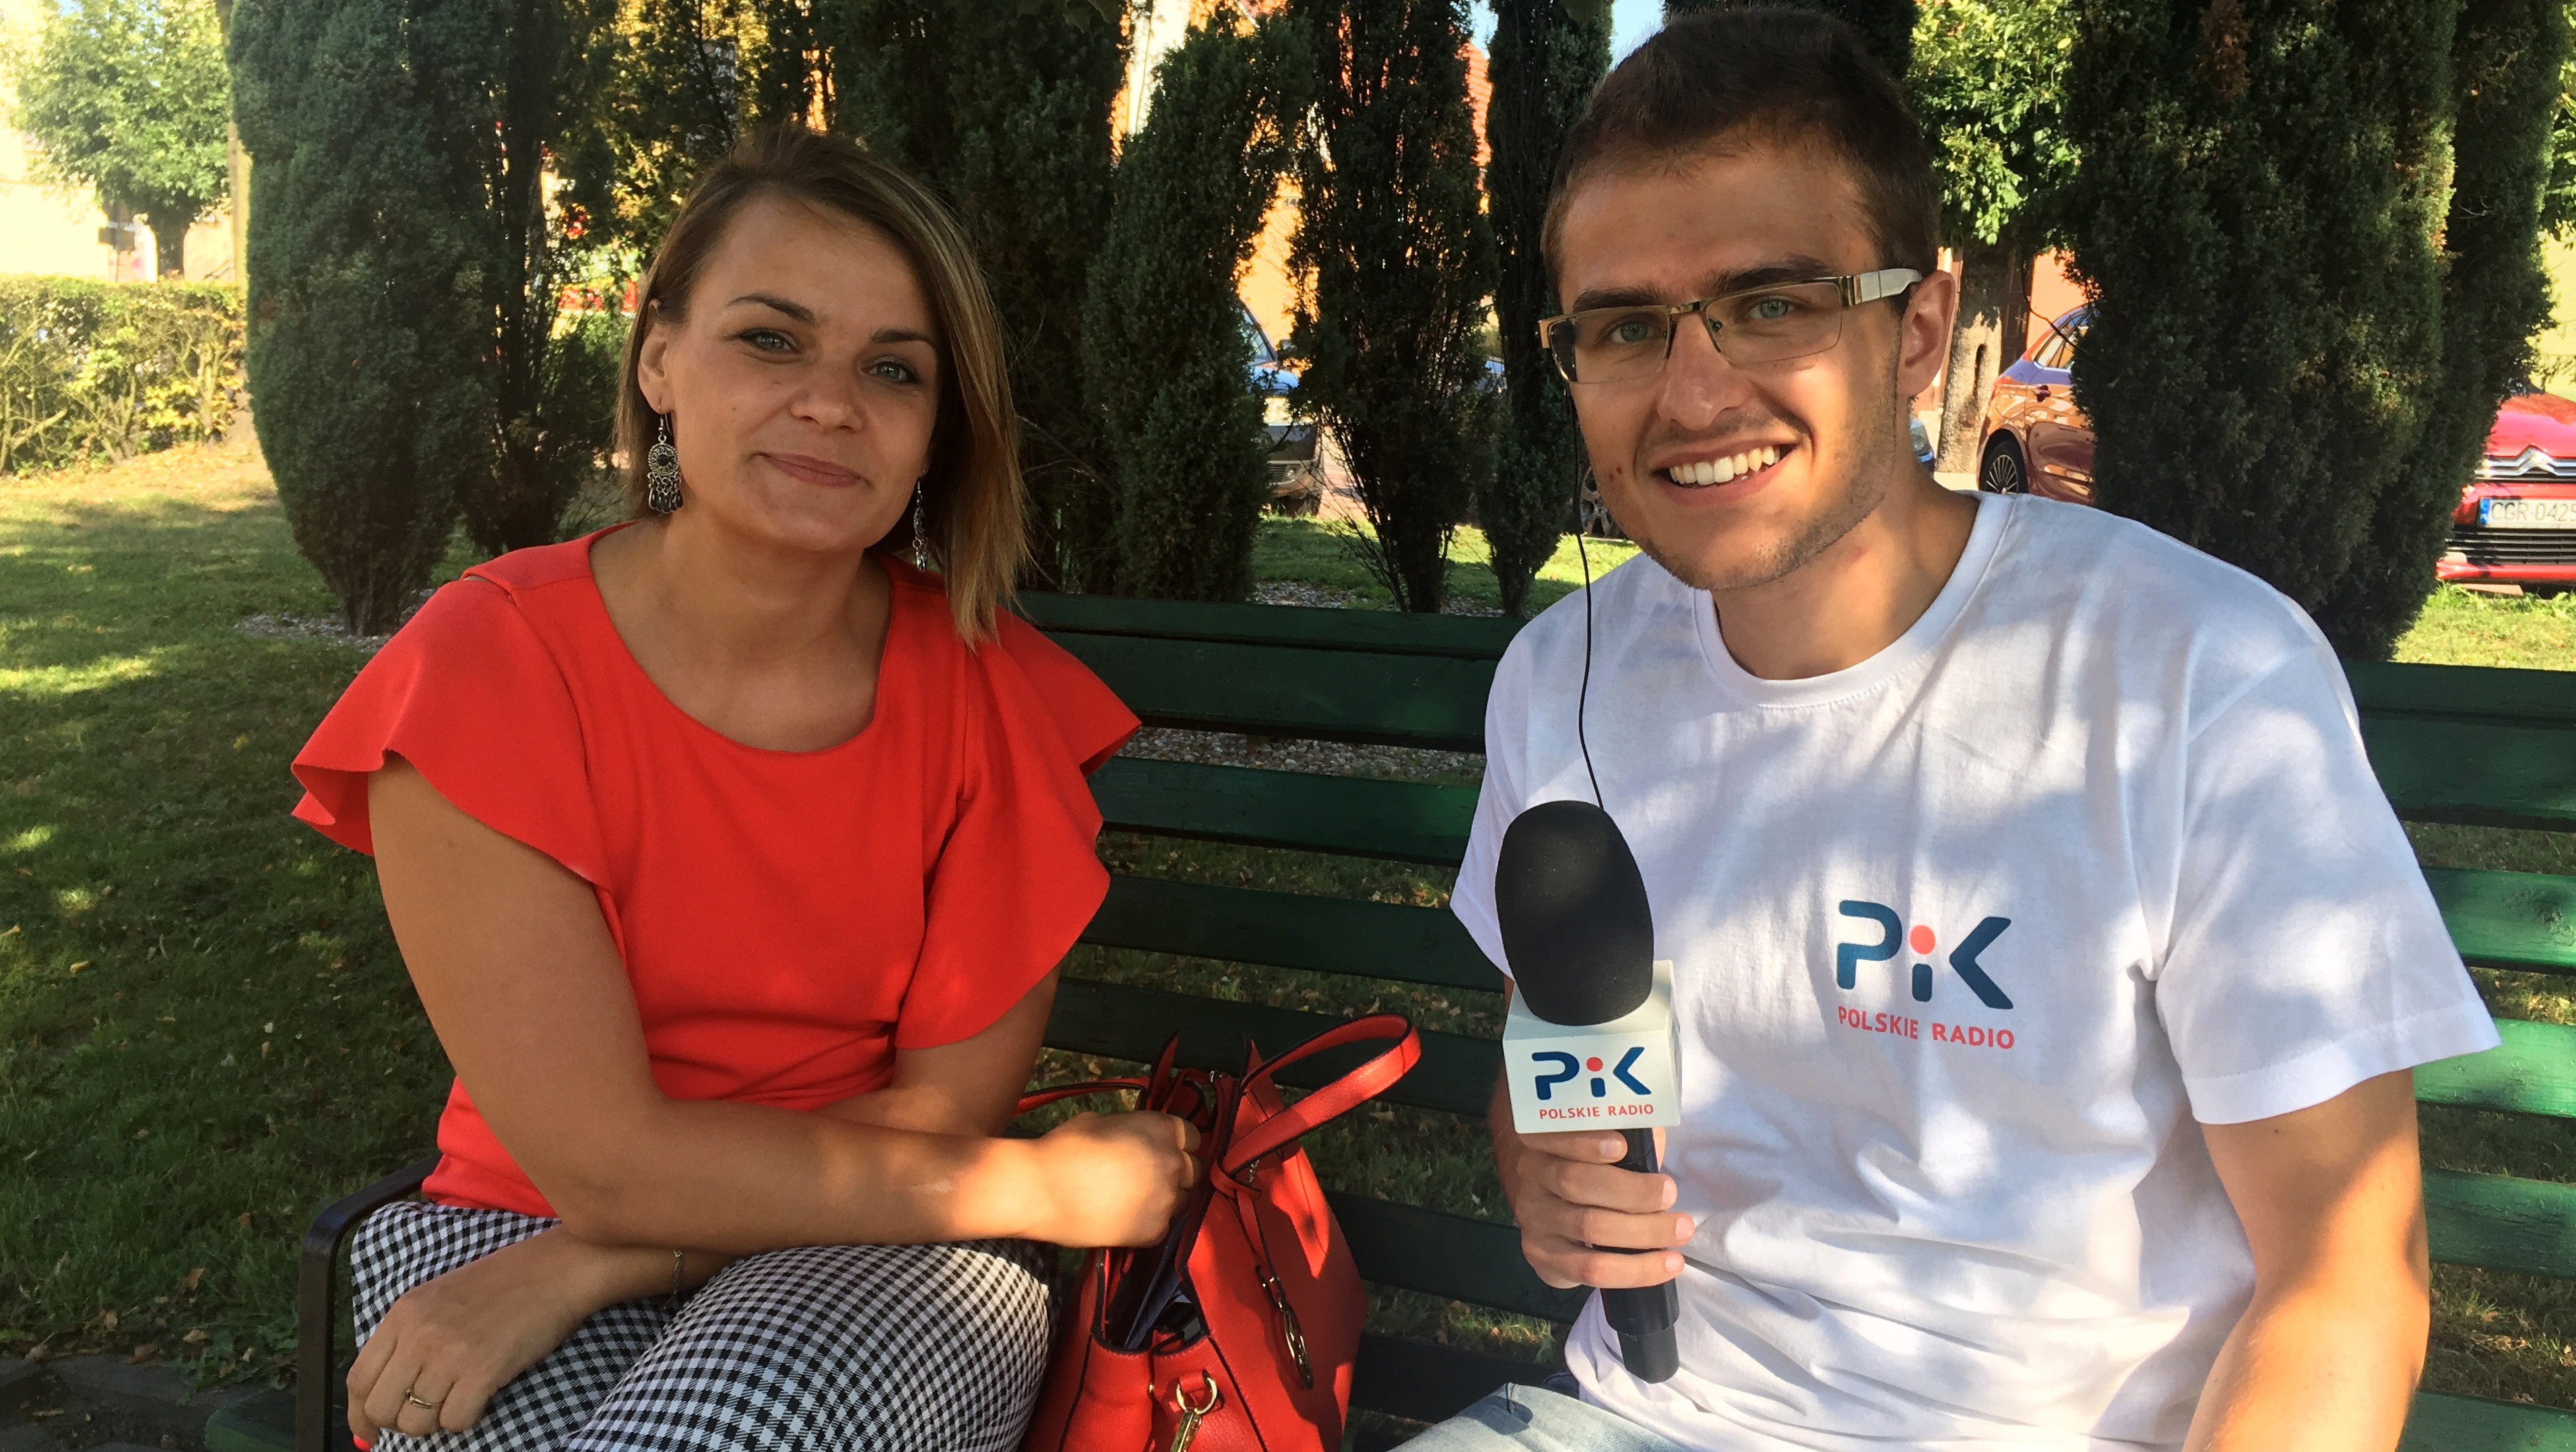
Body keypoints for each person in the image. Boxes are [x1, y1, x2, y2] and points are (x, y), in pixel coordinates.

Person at [1407, 12, 2497, 1452]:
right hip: (1637, 1415)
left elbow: (2344, 1281)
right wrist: (1543, 1170)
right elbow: (1557, 1050)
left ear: (1916, 331)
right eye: (1623, 328)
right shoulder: (1564, 675)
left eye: (1772, 304)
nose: (1692, 393)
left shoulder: (2194, 678)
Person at [288, 125, 1198, 1452]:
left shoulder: (987, 700)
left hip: (880, 1257)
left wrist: (592, 1263)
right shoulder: (488, 668)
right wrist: (1047, 1190)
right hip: (505, 1226)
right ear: (659, 359)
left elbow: (940, 1120)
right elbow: (597, 1158)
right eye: (771, 339)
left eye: (894, 368)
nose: (830, 402)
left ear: (937, 433)